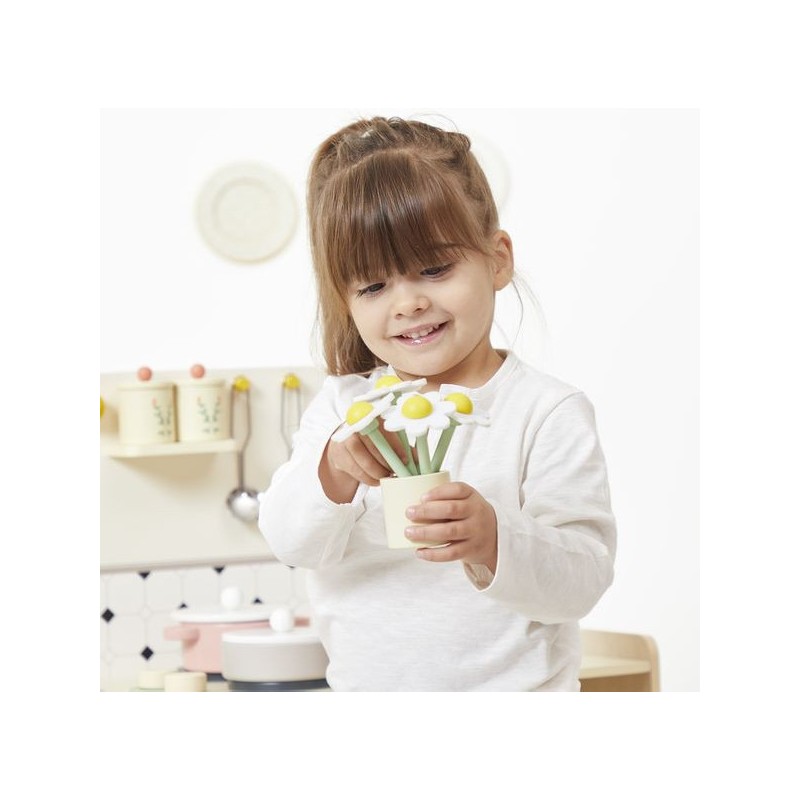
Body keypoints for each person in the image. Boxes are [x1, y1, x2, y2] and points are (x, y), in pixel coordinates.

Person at [258, 115, 616, 691]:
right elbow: (291, 542)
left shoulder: (545, 411)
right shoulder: (346, 409)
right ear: (346, 301)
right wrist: (334, 470)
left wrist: (495, 539)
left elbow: (583, 580)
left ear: (497, 259)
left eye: (434, 269)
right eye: (373, 286)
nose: (408, 303)